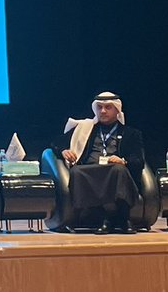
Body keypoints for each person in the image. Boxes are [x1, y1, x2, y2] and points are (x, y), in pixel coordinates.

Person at [51, 91, 144, 234]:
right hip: (90, 170)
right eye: (99, 107)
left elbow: (138, 160)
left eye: (108, 107)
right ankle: (103, 219)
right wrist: (63, 150)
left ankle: (123, 219)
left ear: (117, 110)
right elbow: (56, 142)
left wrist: (123, 161)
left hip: (115, 170)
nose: (103, 111)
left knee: (118, 170)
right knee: (77, 171)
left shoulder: (131, 133)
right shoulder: (86, 129)